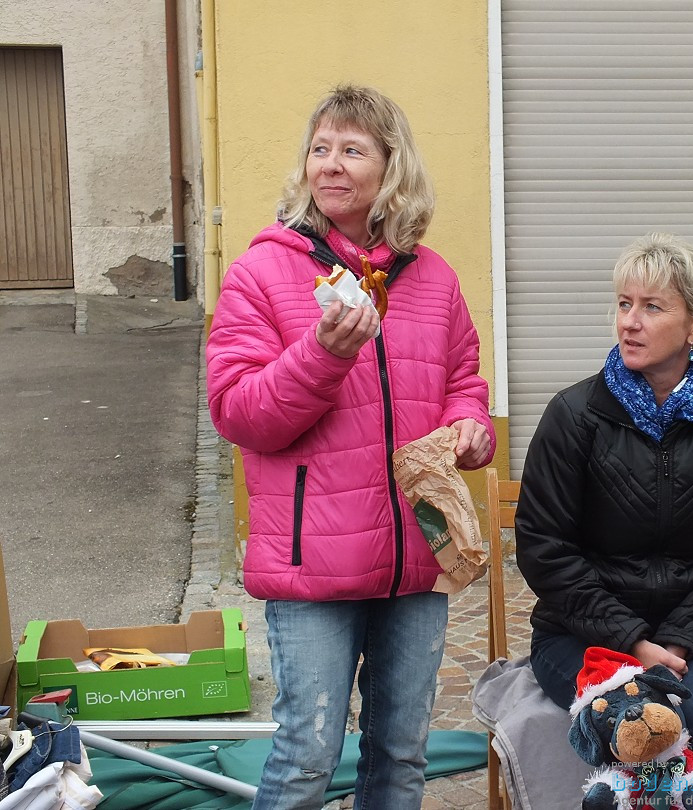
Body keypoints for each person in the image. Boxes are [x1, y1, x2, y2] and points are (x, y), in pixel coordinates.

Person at [205, 85, 494, 810]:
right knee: (307, 755)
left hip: (417, 555)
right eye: (320, 148)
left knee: (401, 756)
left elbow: (463, 379)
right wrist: (320, 357)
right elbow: (238, 413)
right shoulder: (260, 275)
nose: (330, 165)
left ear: (391, 169)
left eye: (352, 150)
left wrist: (472, 428)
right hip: (314, 565)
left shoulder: (433, 279)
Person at [515, 232, 693, 802]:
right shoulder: (573, 415)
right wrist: (631, 641)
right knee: (638, 725)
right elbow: (543, 549)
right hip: (581, 635)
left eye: (653, 307)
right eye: (625, 304)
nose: (630, 321)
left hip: (692, 635)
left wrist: (676, 640)